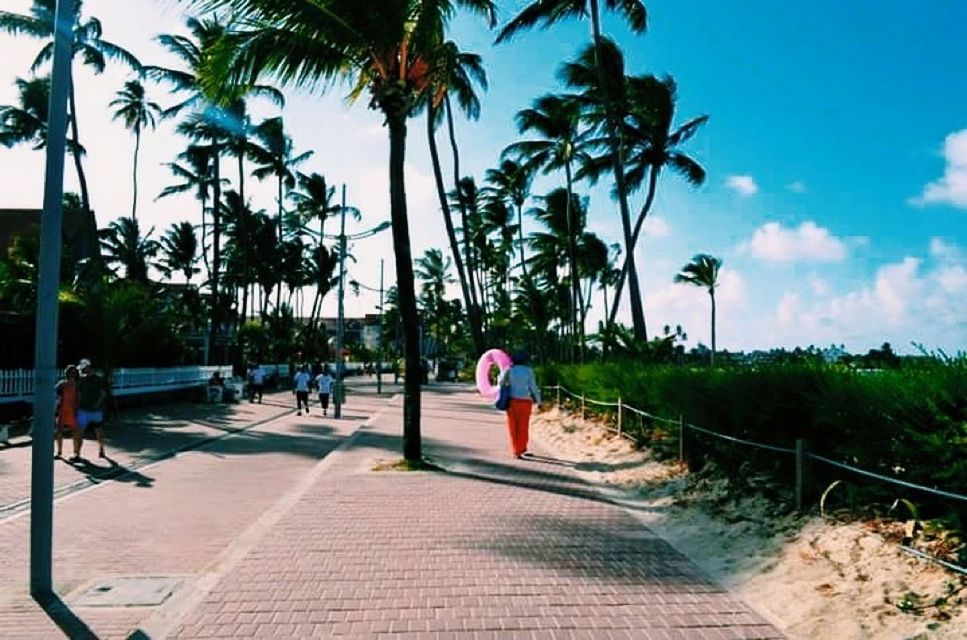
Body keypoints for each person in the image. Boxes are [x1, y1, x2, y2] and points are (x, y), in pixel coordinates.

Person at [497, 349, 541, 459]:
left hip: (512, 401)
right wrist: (539, 401)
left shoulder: (509, 370)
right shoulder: (528, 371)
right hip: (526, 402)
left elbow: (501, 383)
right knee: (523, 427)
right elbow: (533, 387)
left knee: (513, 426)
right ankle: (522, 448)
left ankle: (516, 451)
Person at [76, 358, 108, 459]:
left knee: (99, 431)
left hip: (95, 410)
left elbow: (103, 394)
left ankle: (101, 449)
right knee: (80, 431)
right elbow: (79, 394)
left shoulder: (98, 379)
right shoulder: (82, 380)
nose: (82, 371)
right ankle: (77, 453)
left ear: (89, 367)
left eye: (84, 369)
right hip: (83, 409)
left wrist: (97, 404)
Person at [54, 365, 80, 459]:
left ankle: (76, 453)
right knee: (59, 431)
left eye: (74, 373)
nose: (72, 374)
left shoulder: (78, 385)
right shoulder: (62, 384)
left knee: (75, 432)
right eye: (70, 372)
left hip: (73, 410)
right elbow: (56, 393)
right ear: (67, 373)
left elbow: (80, 398)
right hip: (62, 410)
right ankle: (59, 452)